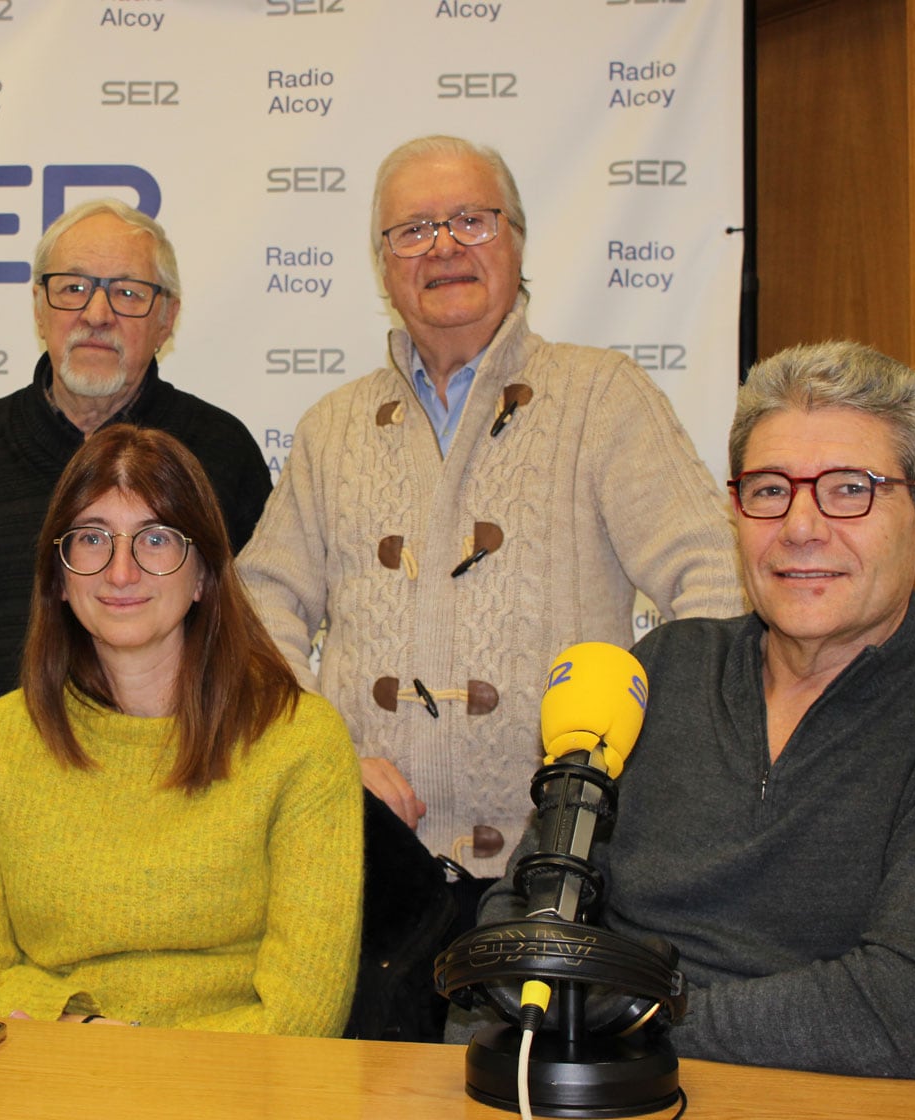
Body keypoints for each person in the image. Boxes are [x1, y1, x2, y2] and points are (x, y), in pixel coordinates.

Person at [473, 341, 915, 1076]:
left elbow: (908, 1013)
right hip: (618, 1088)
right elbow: (522, 920)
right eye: (768, 490)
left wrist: (629, 1014)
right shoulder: (660, 670)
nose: (800, 526)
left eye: (850, 488)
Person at [236, 135, 744, 874]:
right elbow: (257, 606)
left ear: (517, 242)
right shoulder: (331, 427)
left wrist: (617, 755)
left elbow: (717, 583)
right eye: (413, 230)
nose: (443, 248)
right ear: (384, 267)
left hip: (558, 869)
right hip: (362, 864)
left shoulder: (602, 397)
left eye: (472, 220)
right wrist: (324, 756)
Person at [0, 199, 273, 1008]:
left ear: (166, 319)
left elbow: (245, 634)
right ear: (37, 306)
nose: (95, 312)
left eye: (127, 293)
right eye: (72, 288)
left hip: (175, 826)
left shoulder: (220, 452)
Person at [0, 425, 361, 1034]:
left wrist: (133, 1057)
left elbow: (303, 1012)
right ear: (57, 576)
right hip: (50, 1088)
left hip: (236, 1097)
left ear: (206, 574)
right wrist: (87, 1032)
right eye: (91, 538)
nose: (121, 571)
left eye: (154, 539)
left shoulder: (300, 741)